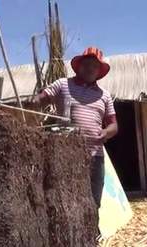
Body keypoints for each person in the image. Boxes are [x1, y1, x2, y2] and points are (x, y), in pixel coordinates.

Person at [34, 47, 118, 210]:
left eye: (95, 66)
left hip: (95, 156)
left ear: (99, 71)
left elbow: (114, 125)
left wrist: (107, 132)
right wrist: (34, 101)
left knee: (93, 203)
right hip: (66, 156)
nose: (90, 69)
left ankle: (92, 235)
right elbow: (42, 99)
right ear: (79, 66)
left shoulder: (104, 95)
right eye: (87, 64)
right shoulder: (63, 84)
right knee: (67, 205)